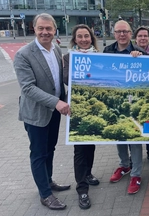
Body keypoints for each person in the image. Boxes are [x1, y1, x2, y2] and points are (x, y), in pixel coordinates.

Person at [13, 13, 71, 210]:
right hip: (36, 113)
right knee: (38, 153)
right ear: (34, 29)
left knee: (50, 149)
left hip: (54, 111)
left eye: (49, 28)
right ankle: (45, 194)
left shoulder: (56, 49)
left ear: (55, 30)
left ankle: (48, 181)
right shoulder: (24, 54)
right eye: (41, 28)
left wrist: (66, 99)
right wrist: (57, 102)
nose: (45, 32)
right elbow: (28, 88)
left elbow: (58, 80)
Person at [104, 20, 148, 194]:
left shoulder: (141, 52)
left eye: (125, 31)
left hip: (133, 100)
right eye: (118, 32)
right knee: (119, 133)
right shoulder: (107, 51)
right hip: (115, 99)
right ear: (114, 33)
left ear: (131, 34)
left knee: (134, 137)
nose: (122, 35)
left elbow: (148, 77)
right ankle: (124, 165)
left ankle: (136, 173)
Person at [62, 24, 100, 209]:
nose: (84, 39)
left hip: (94, 107)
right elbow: (65, 78)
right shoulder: (68, 57)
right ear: (75, 39)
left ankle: (88, 173)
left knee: (91, 145)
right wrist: (81, 63)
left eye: (87, 36)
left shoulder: (99, 56)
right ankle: (82, 190)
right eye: (80, 37)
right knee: (79, 149)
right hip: (78, 108)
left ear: (91, 38)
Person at [133, 26, 149, 166]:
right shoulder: (131, 54)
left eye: (145, 36)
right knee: (136, 122)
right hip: (136, 95)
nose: (143, 38)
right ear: (136, 38)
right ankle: (134, 157)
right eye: (140, 36)